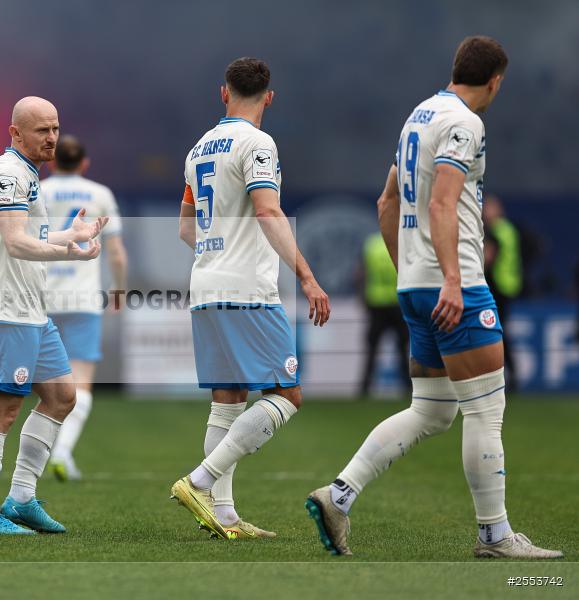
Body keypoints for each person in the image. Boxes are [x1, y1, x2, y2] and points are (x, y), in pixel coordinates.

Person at [305, 37, 562, 559]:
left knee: (433, 411)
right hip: (458, 285)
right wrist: (449, 278)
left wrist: (412, 275)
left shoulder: (417, 118)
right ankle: (495, 536)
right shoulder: (466, 123)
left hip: (415, 287)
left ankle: (338, 496)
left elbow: (386, 201)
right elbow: (444, 202)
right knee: (486, 412)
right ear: (495, 82)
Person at [170, 57, 331, 540]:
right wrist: (306, 275)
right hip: (247, 290)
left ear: (224, 93)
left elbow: (184, 227)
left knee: (228, 401)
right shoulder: (258, 144)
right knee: (287, 394)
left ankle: (223, 514)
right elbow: (267, 211)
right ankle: (199, 481)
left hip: (207, 286)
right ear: (269, 96)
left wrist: (218, 249)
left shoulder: (198, 149)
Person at [0, 97, 108, 535]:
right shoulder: (8, 174)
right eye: (42, 130)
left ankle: (22, 498)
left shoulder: (28, 175)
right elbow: (15, 241)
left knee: (63, 397)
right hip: (7, 311)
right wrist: (69, 250)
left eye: (54, 129)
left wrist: (72, 233)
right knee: (1, 411)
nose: (51, 138)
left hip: (31, 309)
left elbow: (31, 233)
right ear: (15, 133)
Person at [41, 135, 128, 481]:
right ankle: (62, 451)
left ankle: (34, 461)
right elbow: (117, 252)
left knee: (39, 387)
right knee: (81, 384)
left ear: (51, 162)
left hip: (40, 297)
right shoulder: (99, 194)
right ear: (84, 163)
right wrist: (119, 288)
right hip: (81, 299)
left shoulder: (37, 192)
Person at [358, 232, 410, 396]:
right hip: (398, 302)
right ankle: (408, 389)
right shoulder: (403, 242)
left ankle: (365, 389)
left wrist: (363, 297)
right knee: (402, 348)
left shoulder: (372, 244)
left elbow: (361, 273)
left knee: (372, 349)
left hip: (376, 303)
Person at [482, 195, 522, 389]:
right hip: (507, 285)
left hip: (497, 286)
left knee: (494, 332)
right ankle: (510, 375)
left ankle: (503, 376)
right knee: (499, 332)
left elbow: (489, 258)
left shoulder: (496, 231)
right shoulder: (509, 229)